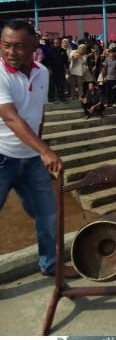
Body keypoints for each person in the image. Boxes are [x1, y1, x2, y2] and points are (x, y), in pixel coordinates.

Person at [0, 19, 60, 275]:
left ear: (35, 44)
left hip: (32, 160)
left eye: (19, 46)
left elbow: (38, 115)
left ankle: (50, 264)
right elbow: (11, 117)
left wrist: (40, 152)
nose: (11, 52)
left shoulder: (42, 72)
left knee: (47, 215)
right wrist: (45, 150)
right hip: (3, 156)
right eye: (5, 46)